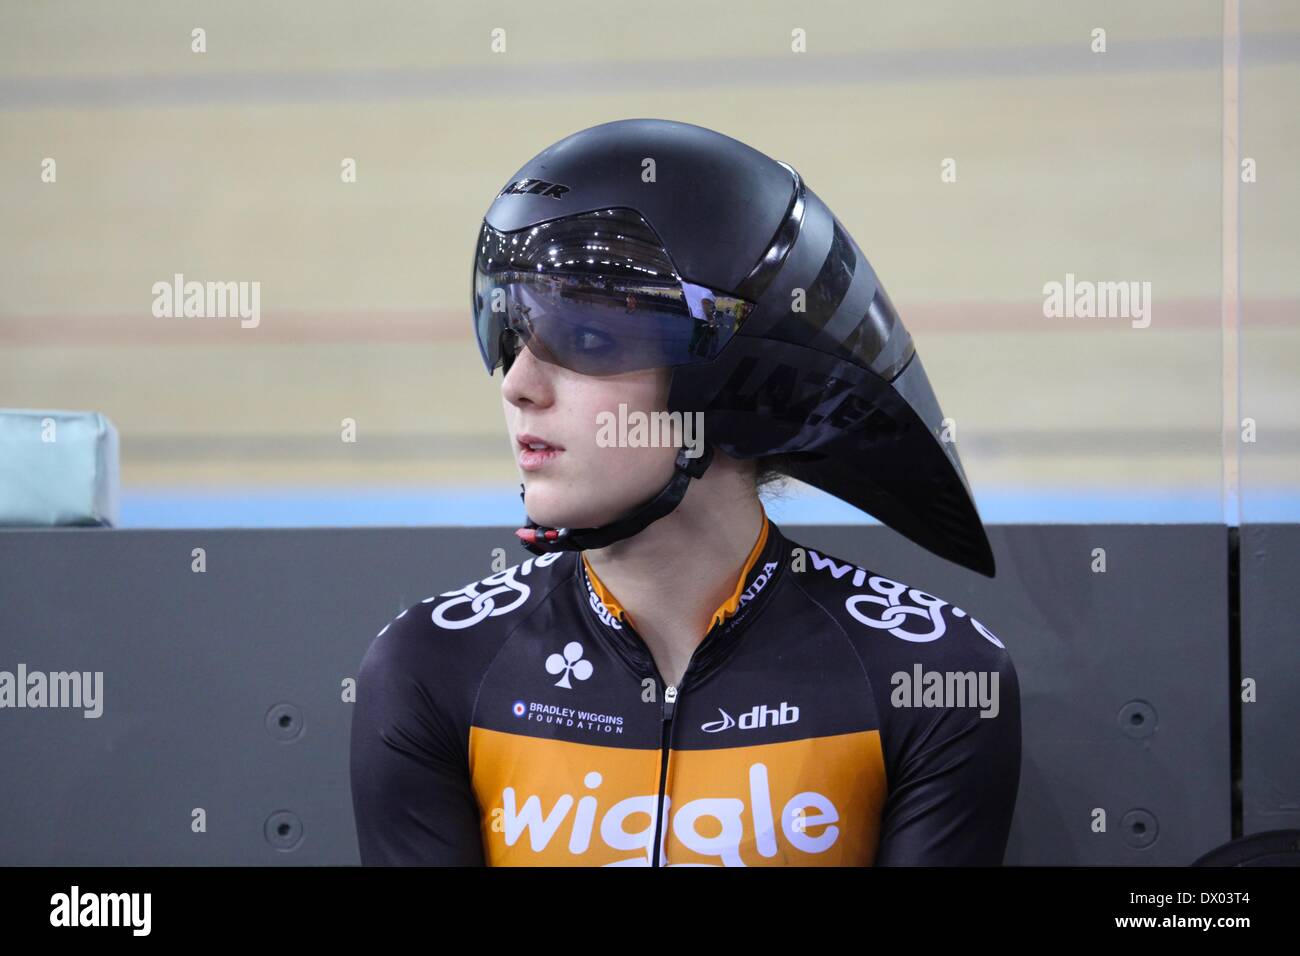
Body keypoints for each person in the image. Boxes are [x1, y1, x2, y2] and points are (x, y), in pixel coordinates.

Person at [350, 119, 1021, 866]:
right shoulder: (429, 668)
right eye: (510, 331)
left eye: (588, 340)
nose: (517, 385)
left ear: (739, 385)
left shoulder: (933, 678)